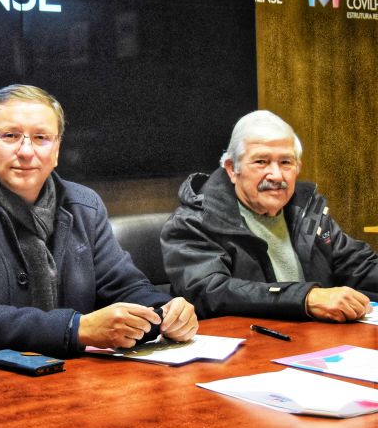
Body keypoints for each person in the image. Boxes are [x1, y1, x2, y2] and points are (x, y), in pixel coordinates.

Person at [0, 85, 197, 362]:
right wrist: (76, 328)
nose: (26, 151)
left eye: (41, 138)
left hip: (63, 372)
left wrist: (164, 310)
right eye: (10, 136)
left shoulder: (84, 205)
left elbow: (124, 285)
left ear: (56, 149)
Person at [161, 110, 378, 321]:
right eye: (261, 162)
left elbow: (360, 266)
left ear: (298, 167)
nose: (276, 175)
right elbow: (210, 293)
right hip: (249, 340)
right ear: (232, 169)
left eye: (285, 162)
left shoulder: (308, 212)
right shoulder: (195, 222)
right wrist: (305, 298)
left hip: (317, 339)